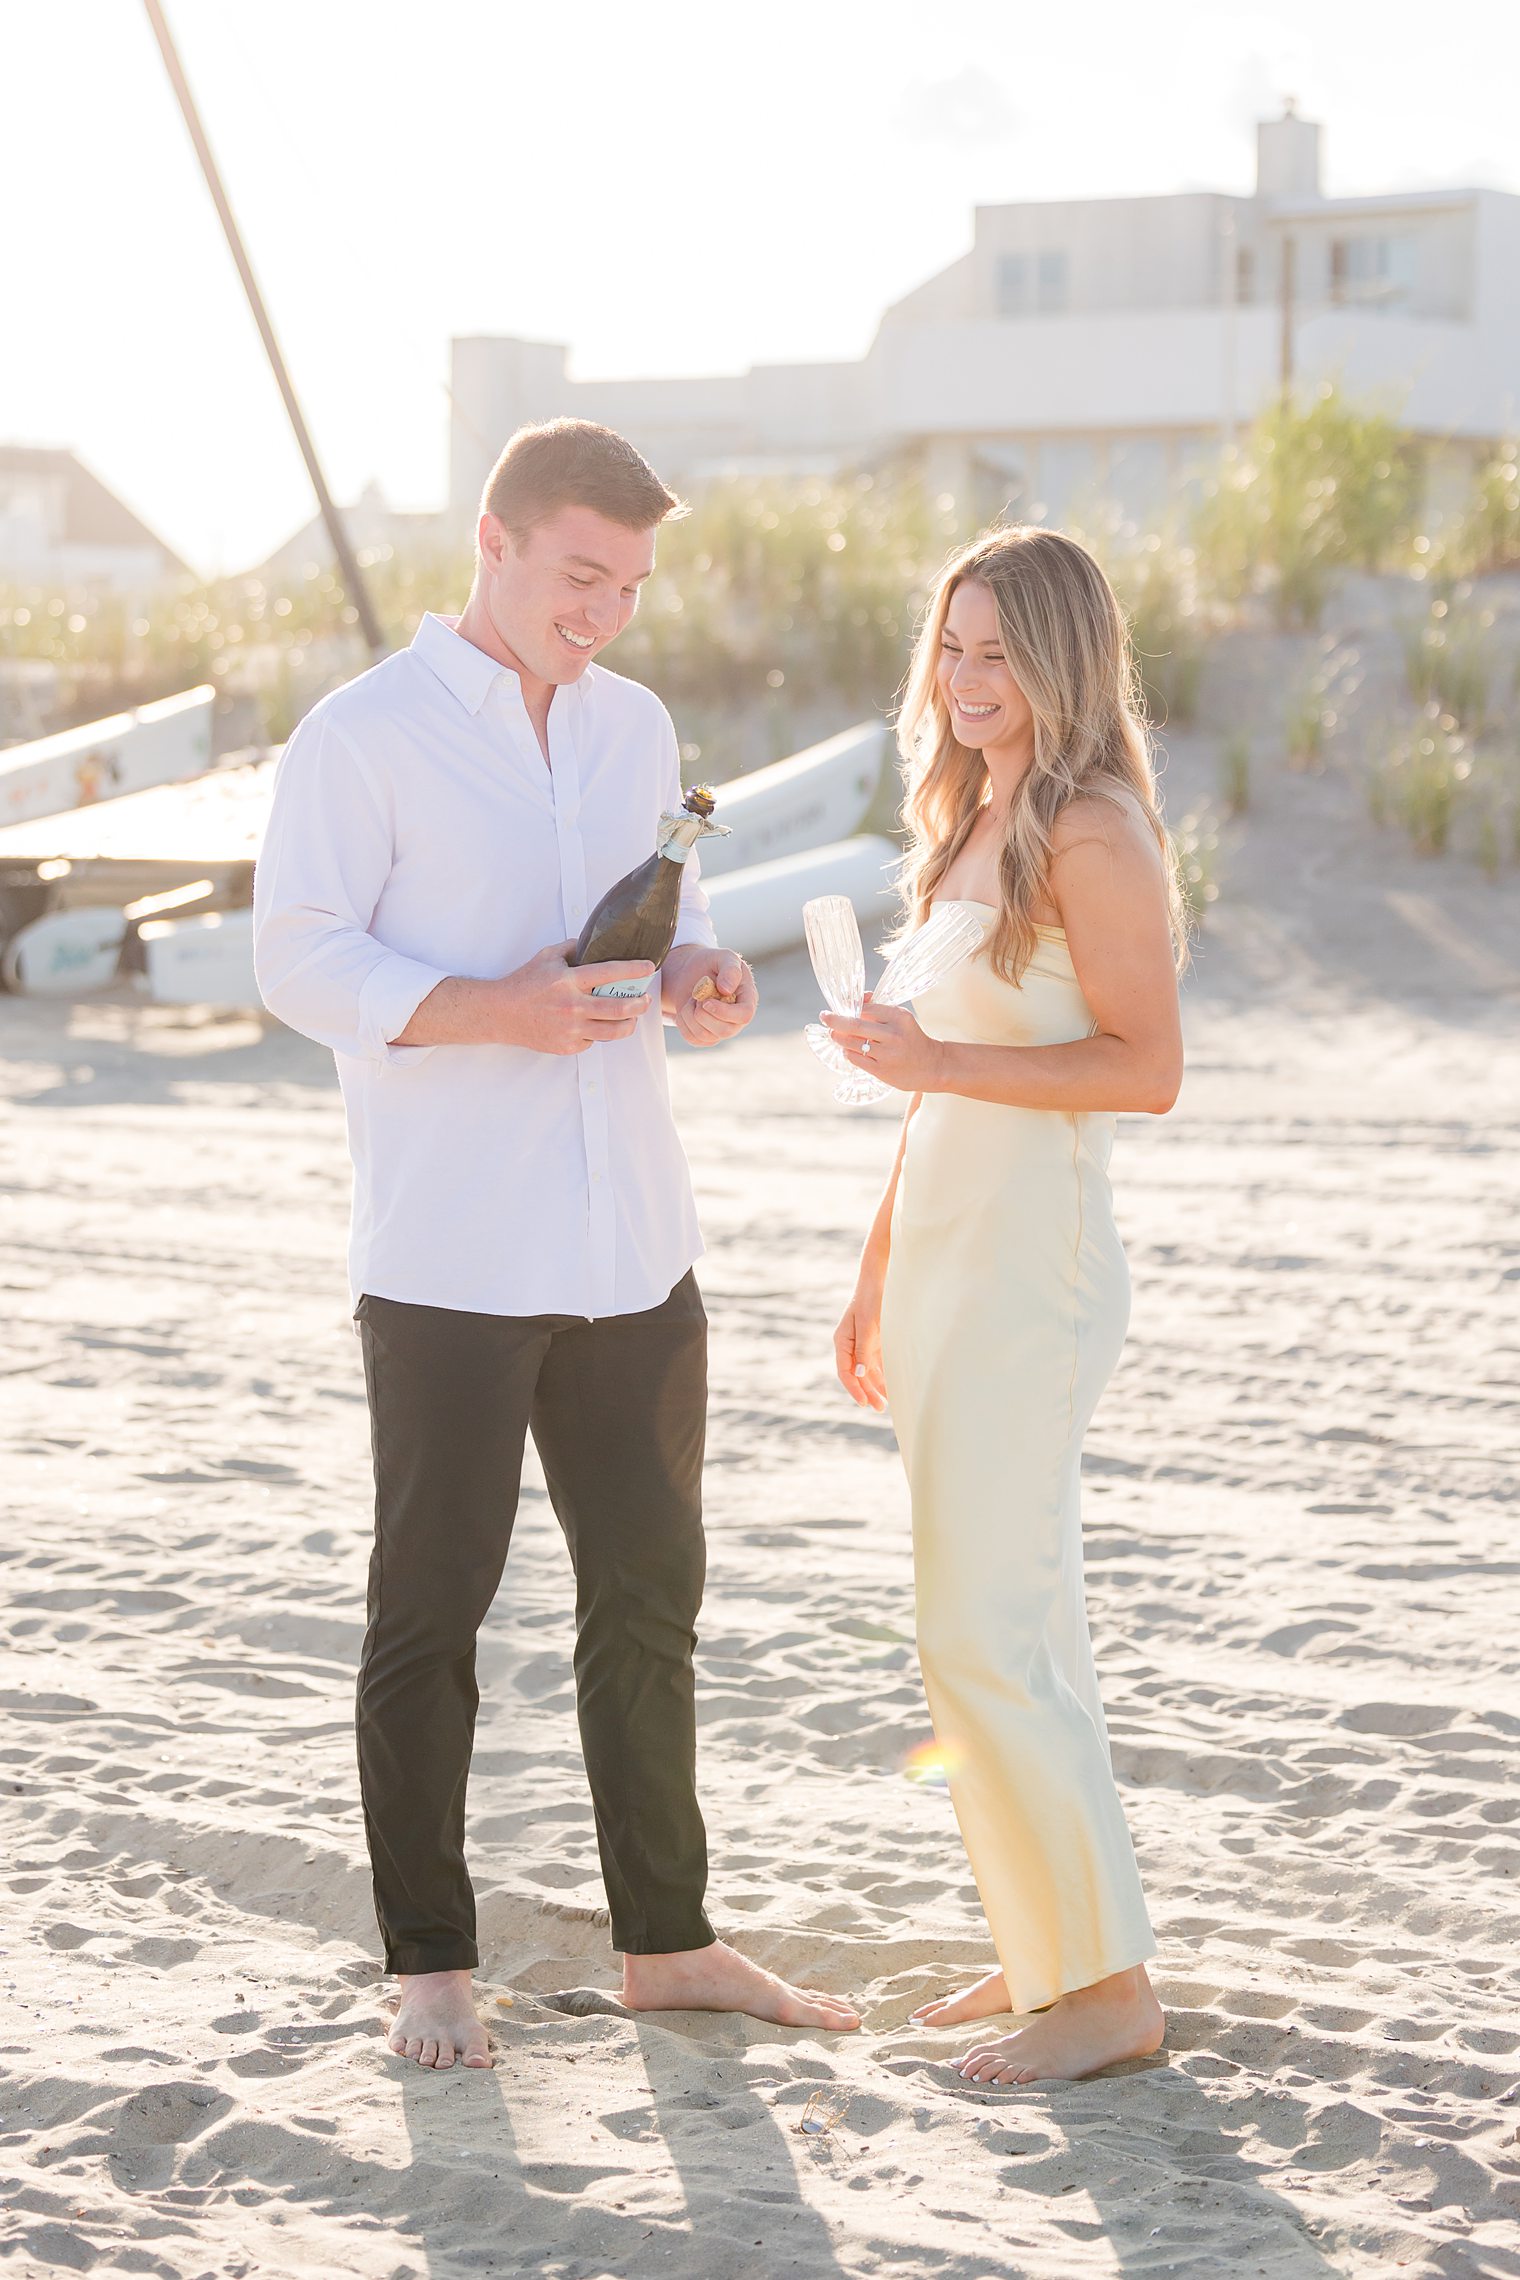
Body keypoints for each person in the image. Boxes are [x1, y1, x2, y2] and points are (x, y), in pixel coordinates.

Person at [254, 418, 860, 2069]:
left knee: (650, 1598)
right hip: (449, 1250)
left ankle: (669, 1944)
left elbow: (664, 914)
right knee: (433, 1609)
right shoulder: (359, 737)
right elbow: (297, 961)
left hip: (634, 1247)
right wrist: (489, 1012)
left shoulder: (636, 724)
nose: (606, 610)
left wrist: (700, 983)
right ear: (495, 543)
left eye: (633, 584)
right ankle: (430, 1967)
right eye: (582, 573)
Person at [826, 526, 1184, 2085]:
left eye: (997, 653)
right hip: (947, 1264)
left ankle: (1106, 1991)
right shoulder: (974, 814)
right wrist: (875, 1263)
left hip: (1033, 1270)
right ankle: (1054, 1952)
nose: (968, 682)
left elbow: (1146, 1071)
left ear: (1057, 660)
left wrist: (940, 1064)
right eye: (951, 651)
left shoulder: (1094, 833)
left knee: (983, 1626)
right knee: (1004, 1625)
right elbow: (933, 1090)